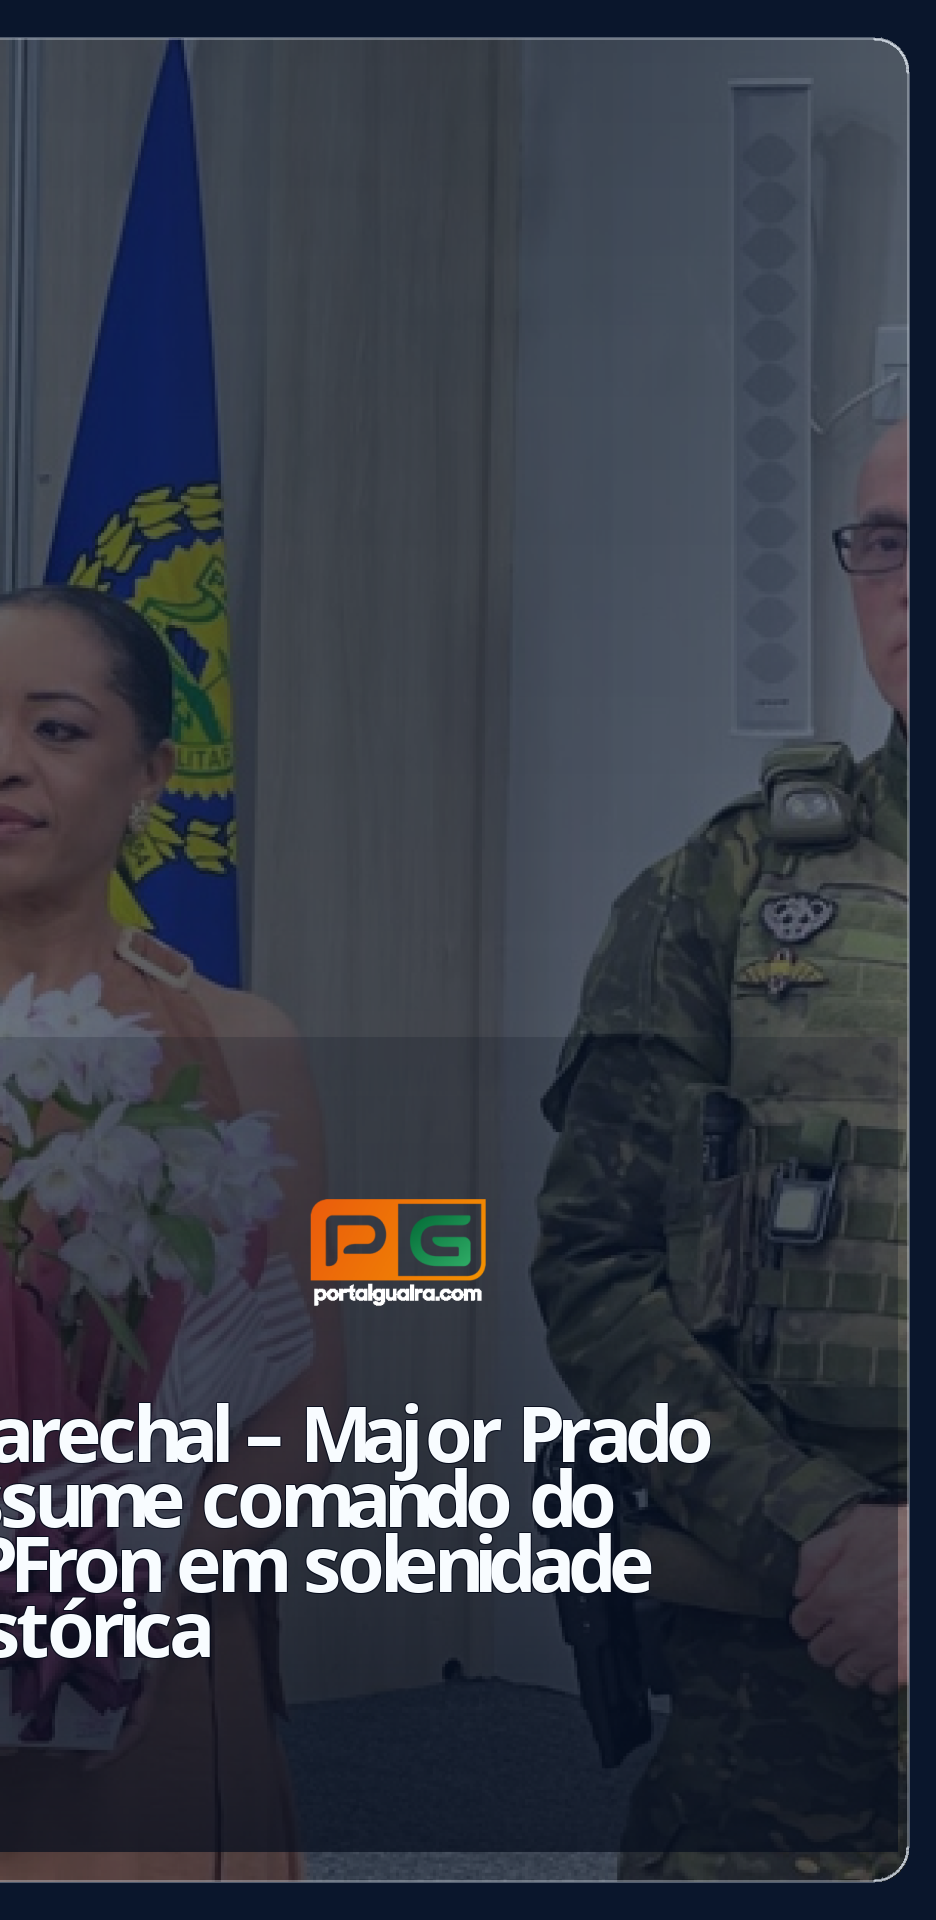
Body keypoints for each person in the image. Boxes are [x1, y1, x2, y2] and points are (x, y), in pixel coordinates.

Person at [0, 583, 345, 1882]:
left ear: (152, 773)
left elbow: (307, 1410)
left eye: (57, 728)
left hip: (160, 1664)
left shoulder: (253, 1046)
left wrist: (142, 1593)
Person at [530, 419, 907, 1881]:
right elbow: (599, 1267)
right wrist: (820, 1527)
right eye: (885, 541)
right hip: (782, 1693)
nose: (909, 579)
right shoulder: (724, 889)